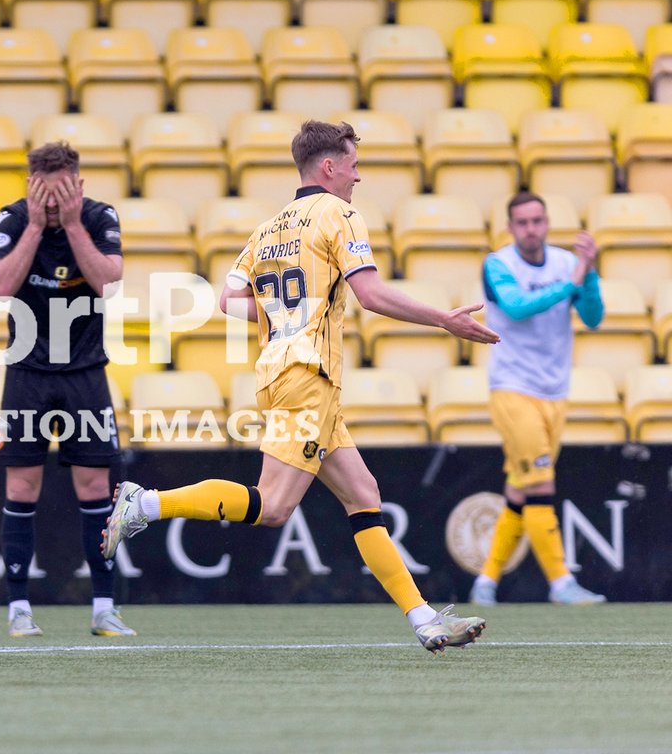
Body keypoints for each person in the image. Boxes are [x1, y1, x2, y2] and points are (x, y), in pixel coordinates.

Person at [102, 120, 500, 653]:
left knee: (364, 496)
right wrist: (443, 320)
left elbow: (228, 300)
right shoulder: (339, 214)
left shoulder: (269, 227)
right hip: (308, 376)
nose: (359, 177)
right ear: (329, 166)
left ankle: (424, 619)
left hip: (284, 370)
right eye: (354, 165)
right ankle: (146, 504)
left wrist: (286, 316)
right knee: (272, 507)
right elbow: (370, 294)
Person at [0, 140, 130, 638]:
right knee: (21, 487)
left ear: (78, 186)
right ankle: (18, 609)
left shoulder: (96, 218)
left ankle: (104, 608)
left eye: (60, 196)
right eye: (44, 197)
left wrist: (71, 226)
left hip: (85, 372)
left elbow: (108, 280)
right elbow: (1, 286)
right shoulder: (11, 219)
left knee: (95, 490)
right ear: (30, 187)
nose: (52, 206)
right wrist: (33, 225)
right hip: (27, 372)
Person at [469, 192, 607, 607]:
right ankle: (561, 582)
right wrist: (574, 279)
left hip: (555, 390)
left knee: (520, 489)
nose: (532, 229)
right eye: (523, 223)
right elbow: (516, 306)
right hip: (513, 388)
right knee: (541, 482)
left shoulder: (568, 263)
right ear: (511, 228)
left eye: (538, 221)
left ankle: (485, 583)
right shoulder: (498, 264)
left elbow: (595, 317)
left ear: (547, 222)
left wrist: (590, 274)